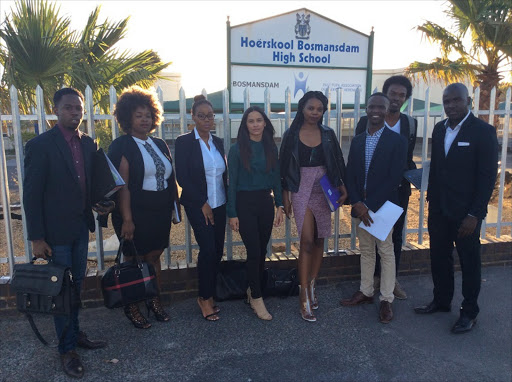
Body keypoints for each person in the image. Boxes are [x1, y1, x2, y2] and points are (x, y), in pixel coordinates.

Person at [23, 88, 112, 378]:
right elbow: (32, 195)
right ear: (56, 109)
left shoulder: (89, 144)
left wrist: (99, 203)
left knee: (75, 289)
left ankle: (75, 334)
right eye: (69, 108)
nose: (75, 113)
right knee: (61, 293)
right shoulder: (41, 145)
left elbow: (88, 185)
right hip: (54, 235)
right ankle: (67, 350)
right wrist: (37, 237)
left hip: (79, 229)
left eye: (79, 108)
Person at [414, 83, 498, 334]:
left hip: (466, 214)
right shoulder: (439, 130)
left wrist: (475, 214)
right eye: (446, 101)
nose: (450, 106)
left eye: (455, 101)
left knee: (470, 263)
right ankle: (441, 301)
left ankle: (469, 312)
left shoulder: (483, 132)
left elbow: (486, 178)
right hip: (439, 209)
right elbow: (439, 168)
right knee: (439, 258)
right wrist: (430, 199)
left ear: (468, 101)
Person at [109, 86, 180, 329]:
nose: (144, 119)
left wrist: (173, 208)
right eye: (138, 115)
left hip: (159, 212)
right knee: (132, 259)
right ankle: (132, 305)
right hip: (134, 212)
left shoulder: (159, 143)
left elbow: (170, 177)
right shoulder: (122, 145)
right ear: (127, 117)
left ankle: (153, 299)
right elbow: (123, 186)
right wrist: (127, 219)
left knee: (154, 256)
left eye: (148, 114)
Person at [279, 91, 348, 322]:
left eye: (319, 109)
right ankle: (303, 294)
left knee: (320, 239)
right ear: (302, 108)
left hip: (324, 186)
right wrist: (285, 197)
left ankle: (312, 285)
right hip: (300, 188)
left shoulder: (328, 133)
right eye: (311, 108)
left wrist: (342, 185)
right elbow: (283, 167)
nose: (315, 113)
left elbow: (338, 161)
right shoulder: (291, 134)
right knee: (307, 240)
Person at [340, 92, 407, 324]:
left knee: (385, 251)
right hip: (360, 206)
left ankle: (386, 299)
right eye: (371, 107)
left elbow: (394, 178)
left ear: (387, 110)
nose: (375, 110)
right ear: (366, 109)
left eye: (381, 107)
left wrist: (368, 205)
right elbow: (351, 174)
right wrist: (358, 203)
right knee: (366, 250)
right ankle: (366, 291)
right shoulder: (358, 140)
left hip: (383, 205)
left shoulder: (397, 141)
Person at [355, 75, 417, 300]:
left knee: (393, 238)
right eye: (393, 94)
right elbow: (360, 157)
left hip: (396, 190)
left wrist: (415, 174)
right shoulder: (367, 121)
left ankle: (390, 282)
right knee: (372, 239)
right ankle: (373, 282)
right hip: (369, 192)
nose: (397, 98)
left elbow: (406, 157)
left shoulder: (409, 123)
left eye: (402, 95)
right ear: (385, 94)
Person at [227, 106, 284, 321]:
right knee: (254, 250)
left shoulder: (271, 147)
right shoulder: (237, 149)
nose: (255, 124)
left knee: (262, 250)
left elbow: (276, 177)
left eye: (259, 120)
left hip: (264, 202)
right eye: (251, 121)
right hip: (244, 203)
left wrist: (280, 205)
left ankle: (253, 289)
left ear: (265, 123)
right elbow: (231, 183)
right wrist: (232, 213)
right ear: (245, 125)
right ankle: (257, 297)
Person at [175, 95, 228, 321]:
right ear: (193, 117)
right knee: (207, 250)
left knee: (216, 251)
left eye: (210, 116)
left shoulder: (218, 142)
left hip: (221, 204)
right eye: (201, 116)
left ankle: (211, 292)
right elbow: (183, 177)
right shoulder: (184, 142)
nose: (207, 120)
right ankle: (204, 298)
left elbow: (223, 175)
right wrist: (202, 203)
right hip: (199, 205)